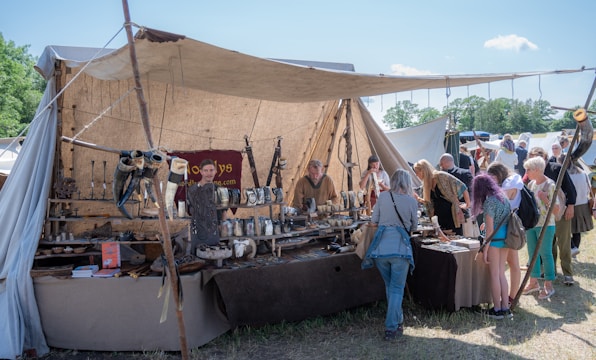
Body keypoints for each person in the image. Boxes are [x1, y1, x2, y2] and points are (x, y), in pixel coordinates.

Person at [361, 169, 418, 340]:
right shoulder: (411, 201)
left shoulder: (384, 197)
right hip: (400, 250)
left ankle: (398, 320)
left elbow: (374, 220)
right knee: (396, 289)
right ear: (407, 183)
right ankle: (391, 327)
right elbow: (414, 227)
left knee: (391, 287)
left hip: (381, 250)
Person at [527, 147, 576, 286]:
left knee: (564, 243)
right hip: (543, 217)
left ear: (542, 156)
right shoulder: (532, 177)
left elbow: (570, 188)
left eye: (534, 156)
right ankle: (551, 272)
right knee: (549, 246)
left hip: (560, 211)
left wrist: (571, 206)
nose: (532, 159)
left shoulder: (556, 168)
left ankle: (567, 273)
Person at [471, 174, 512, 318]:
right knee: (501, 274)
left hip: (494, 240)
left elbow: (489, 230)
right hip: (506, 239)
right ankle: (505, 308)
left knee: (495, 275)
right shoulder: (503, 197)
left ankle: (497, 310)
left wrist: (485, 249)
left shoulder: (490, 202)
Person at [486, 162, 523, 305]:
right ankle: (509, 297)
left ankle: (511, 297)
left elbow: (503, 200)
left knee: (512, 263)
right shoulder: (511, 181)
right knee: (508, 265)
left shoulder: (511, 181)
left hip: (510, 227)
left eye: (492, 177)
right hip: (508, 226)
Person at [522, 156, 558, 300]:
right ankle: (533, 283)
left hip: (546, 225)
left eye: (528, 169)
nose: (527, 172)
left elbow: (556, 209)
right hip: (532, 224)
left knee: (546, 254)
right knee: (532, 253)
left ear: (537, 169)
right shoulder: (531, 184)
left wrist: (545, 199)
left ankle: (549, 286)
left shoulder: (550, 185)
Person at [412, 159, 470, 236]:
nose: (416, 175)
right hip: (439, 219)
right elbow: (428, 202)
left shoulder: (441, 176)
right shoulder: (426, 184)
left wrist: (467, 204)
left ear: (423, 171)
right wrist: (418, 198)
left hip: (451, 217)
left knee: (454, 240)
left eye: (417, 172)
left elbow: (462, 186)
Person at [186, 159, 228, 252]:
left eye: (211, 170)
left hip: (214, 230)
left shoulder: (219, 189)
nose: (209, 173)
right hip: (197, 229)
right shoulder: (192, 190)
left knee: (214, 255)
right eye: (206, 170)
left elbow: (224, 211)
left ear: (216, 171)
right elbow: (189, 210)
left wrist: (222, 226)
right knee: (197, 255)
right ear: (201, 172)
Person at [561, 156, 593, 262]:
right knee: (577, 230)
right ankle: (574, 251)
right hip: (582, 204)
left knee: (564, 229)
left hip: (569, 205)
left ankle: (573, 248)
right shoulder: (583, 173)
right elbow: (588, 189)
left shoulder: (565, 175)